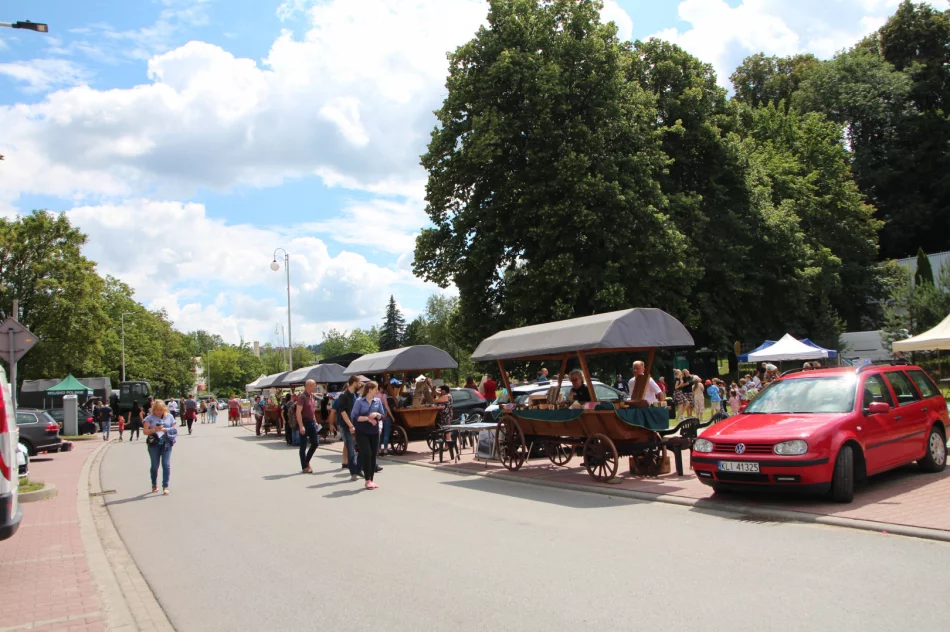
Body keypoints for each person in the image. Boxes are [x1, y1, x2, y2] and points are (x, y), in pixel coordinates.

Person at [350, 381, 385, 490]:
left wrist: (377, 415)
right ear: (370, 390)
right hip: (362, 432)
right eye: (376, 389)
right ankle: (367, 480)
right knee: (367, 454)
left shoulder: (377, 401)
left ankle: (371, 479)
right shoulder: (359, 401)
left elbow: (382, 415)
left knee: (373, 454)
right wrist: (368, 419)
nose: (377, 391)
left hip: (374, 432)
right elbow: (354, 417)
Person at [143, 399, 177, 495]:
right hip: (154, 444)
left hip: (166, 443)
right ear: (154, 409)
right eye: (157, 410)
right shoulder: (149, 418)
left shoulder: (169, 416)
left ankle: (165, 486)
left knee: (166, 464)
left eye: (161, 410)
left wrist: (165, 429)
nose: (159, 412)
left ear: (164, 409)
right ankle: (154, 484)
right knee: (154, 465)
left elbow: (174, 429)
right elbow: (145, 432)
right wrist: (154, 429)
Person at [335, 376, 361, 477]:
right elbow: (343, 412)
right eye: (359, 382)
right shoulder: (343, 395)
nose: (360, 384)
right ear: (354, 383)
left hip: (356, 425)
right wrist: (350, 425)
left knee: (358, 448)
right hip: (346, 426)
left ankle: (358, 468)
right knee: (350, 448)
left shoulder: (354, 395)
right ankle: (353, 472)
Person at [296, 380, 321, 474]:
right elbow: (298, 413)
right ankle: (304, 466)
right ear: (309, 386)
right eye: (314, 385)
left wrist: (315, 421)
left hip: (312, 423)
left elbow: (312, 411)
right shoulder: (302, 397)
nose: (315, 387)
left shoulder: (311, 396)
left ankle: (306, 461)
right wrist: (301, 426)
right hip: (304, 423)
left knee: (315, 443)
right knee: (303, 445)